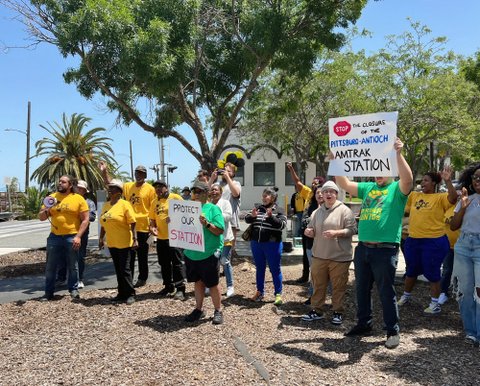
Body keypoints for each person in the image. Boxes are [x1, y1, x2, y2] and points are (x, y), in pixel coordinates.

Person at [334, 138, 413, 349]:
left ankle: (392, 331)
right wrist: (335, 161)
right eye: (375, 167)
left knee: (385, 291)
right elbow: (344, 183)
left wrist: (398, 153)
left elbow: (408, 179)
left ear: (391, 170)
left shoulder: (397, 188)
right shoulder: (368, 187)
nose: (378, 172)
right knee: (361, 289)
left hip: (385, 250)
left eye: (383, 167)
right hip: (363, 249)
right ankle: (364, 324)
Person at [397, 168, 457, 314]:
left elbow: (453, 198)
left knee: (432, 272)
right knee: (411, 270)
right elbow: (404, 210)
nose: (422, 183)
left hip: (434, 242)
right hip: (413, 240)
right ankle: (406, 296)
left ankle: (435, 304)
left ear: (434, 183)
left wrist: (448, 180)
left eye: (426, 180)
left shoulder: (440, 197)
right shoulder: (414, 195)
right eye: (422, 180)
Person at [301, 181, 356, 325]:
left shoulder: (345, 210)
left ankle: (338, 312)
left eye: (332, 191)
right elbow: (311, 229)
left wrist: (337, 233)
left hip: (339, 257)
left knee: (338, 287)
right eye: (326, 192)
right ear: (322, 195)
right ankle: (316, 310)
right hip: (319, 255)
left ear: (336, 194)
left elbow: (352, 230)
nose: (328, 194)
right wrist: (309, 231)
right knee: (318, 285)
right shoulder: (316, 212)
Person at [100, 162, 155, 287]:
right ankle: (128, 280)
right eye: (137, 172)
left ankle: (142, 278)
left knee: (142, 255)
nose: (139, 175)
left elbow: (153, 208)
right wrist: (104, 171)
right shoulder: (128, 186)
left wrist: (153, 226)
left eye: (141, 173)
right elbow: (111, 183)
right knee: (129, 256)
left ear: (145, 175)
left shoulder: (150, 189)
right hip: (128, 227)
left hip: (142, 227)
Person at [38, 175, 89, 301]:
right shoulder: (51, 198)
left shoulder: (78, 199)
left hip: (71, 236)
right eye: (59, 181)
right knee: (50, 266)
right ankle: (48, 293)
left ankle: (73, 290)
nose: (60, 183)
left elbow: (85, 220)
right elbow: (41, 217)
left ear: (70, 185)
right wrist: (47, 209)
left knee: (73, 265)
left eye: (63, 182)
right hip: (54, 237)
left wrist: (78, 236)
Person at [183, 180, 225, 324]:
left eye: (199, 191)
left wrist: (207, 224)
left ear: (206, 193)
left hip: (208, 252)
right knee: (198, 282)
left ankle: (218, 310)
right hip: (192, 253)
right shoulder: (186, 209)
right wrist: (173, 221)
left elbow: (219, 230)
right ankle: (198, 309)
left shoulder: (213, 209)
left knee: (212, 283)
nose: (196, 194)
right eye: (194, 191)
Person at [450, 163, 480, 346]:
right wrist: (463, 207)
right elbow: (453, 226)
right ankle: (470, 332)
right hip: (463, 245)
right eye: (475, 177)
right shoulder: (467, 199)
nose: (478, 180)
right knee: (466, 291)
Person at [244, 187, 287, 306]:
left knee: (275, 269)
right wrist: (252, 216)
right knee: (260, 268)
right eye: (263, 196)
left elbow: (282, 225)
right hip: (256, 244)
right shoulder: (258, 208)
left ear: (273, 198)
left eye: (266, 196)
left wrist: (271, 217)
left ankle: (278, 294)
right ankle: (259, 292)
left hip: (273, 244)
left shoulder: (279, 210)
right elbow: (247, 219)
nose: (263, 198)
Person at [99, 179, 138, 305]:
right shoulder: (106, 205)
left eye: (113, 188)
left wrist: (135, 239)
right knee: (118, 269)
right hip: (112, 243)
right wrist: (101, 239)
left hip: (124, 242)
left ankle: (131, 293)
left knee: (125, 269)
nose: (110, 189)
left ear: (119, 192)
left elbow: (133, 223)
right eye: (109, 187)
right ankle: (121, 293)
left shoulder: (125, 204)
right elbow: (103, 224)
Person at [286, 162, 325, 283]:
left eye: (316, 183)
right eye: (313, 183)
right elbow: (297, 182)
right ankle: (305, 276)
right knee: (305, 253)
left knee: (317, 255)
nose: (314, 184)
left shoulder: (324, 196)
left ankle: (320, 280)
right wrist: (291, 169)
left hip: (317, 231)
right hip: (305, 229)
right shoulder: (308, 192)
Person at [148, 180, 186, 299]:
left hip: (175, 237)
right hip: (161, 238)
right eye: (156, 188)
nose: (158, 189)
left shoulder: (176, 197)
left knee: (177, 264)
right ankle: (168, 286)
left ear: (166, 187)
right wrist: (152, 228)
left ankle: (180, 289)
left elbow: (186, 214)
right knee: (163, 263)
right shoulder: (154, 202)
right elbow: (152, 220)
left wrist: (175, 218)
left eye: (160, 187)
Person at [56, 179, 96, 288]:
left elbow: (92, 217)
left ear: (84, 191)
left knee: (80, 256)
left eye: (81, 188)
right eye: (77, 187)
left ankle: (79, 279)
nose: (79, 190)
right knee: (63, 256)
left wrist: (80, 214)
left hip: (82, 233)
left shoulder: (89, 203)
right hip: (67, 232)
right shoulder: (67, 199)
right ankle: (61, 278)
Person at [209, 162, 242, 254]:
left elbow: (236, 193)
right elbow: (205, 193)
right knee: (216, 246)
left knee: (228, 249)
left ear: (233, 173)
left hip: (231, 220)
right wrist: (212, 179)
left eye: (228, 171)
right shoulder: (217, 184)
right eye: (224, 170)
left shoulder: (236, 183)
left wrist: (227, 178)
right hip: (215, 219)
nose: (225, 172)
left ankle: (227, 265)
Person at [209, 182, 235, 298]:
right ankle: (212, 285)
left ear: (221, 192)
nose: (214, 192)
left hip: (225, 238)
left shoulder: (225, 203)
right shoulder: (208, 204)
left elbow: (229, 216)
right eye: (212, 190)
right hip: (212, 239)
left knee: (224, 261)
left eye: (216, 190)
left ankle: (230, 286)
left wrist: (216, 214)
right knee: (213, 263)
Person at [438, 203, 460, 305]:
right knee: (447, 270)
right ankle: (443, 293)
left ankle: (460, 294)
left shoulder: (468, 207)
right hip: (448, 246)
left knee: (464, 273)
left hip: (463, 247)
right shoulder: (448, 208)